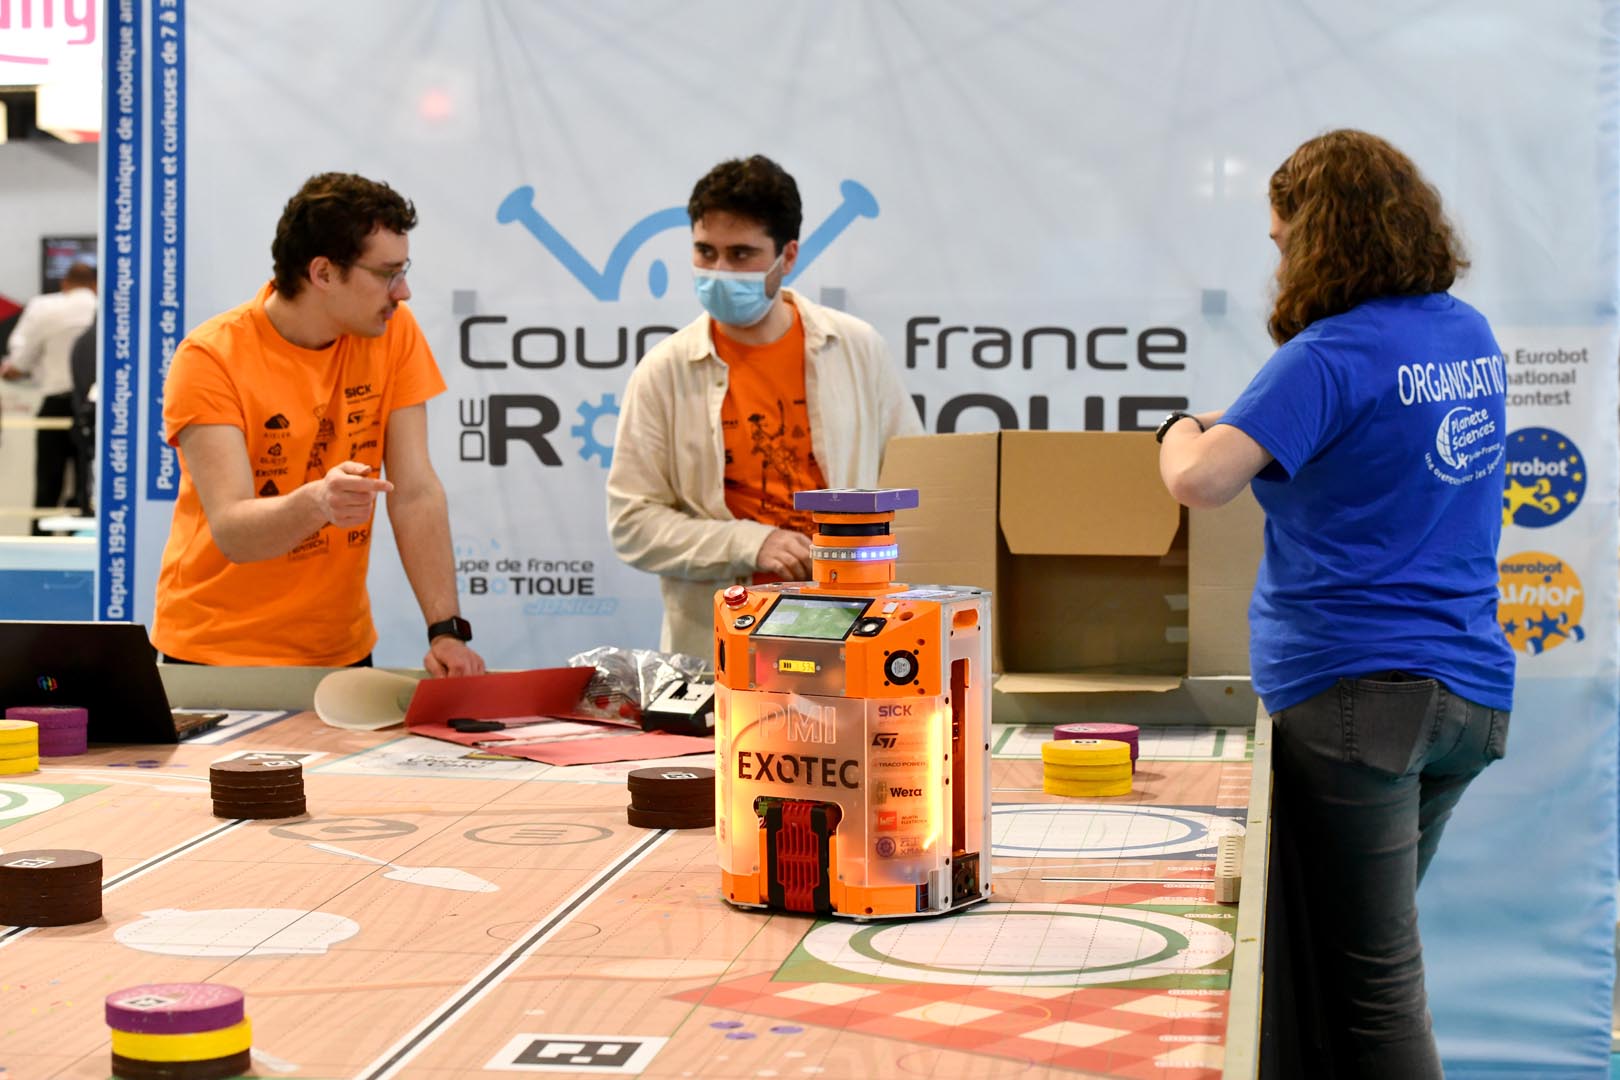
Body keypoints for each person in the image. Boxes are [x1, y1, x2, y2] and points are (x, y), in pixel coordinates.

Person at [1156, 129, 1514, 1077]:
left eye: (1281, 242)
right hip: (1467, 693)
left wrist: (1177, 426)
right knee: (1336, 965)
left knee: (1370, 990)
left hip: (1358, 694)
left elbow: (1199, 479)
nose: (1278, 263)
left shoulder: (1327, 355)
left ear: (1316, 236)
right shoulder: (1464, 335)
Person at [152, 172, 484, 676]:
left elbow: (415, 492)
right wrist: (317, 502)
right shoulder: (210, 357)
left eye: (404, 271)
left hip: (340, 651)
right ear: (324, 273)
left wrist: (446, 630)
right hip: (215, 653)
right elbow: (234, 533)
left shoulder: (392, 333)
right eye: (387, 274)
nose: (404, 292)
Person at [606, 155, 922, 657]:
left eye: (741, 254)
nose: (718, 271)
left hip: (857, 625)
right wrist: (749, 543)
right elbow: (632, 525)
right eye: (705, 251)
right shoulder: (663, 370)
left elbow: (917, 486)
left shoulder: (856, 347)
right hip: (723, 642)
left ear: (787, 256)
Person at [0, 261, 97, 532]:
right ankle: (81, 539)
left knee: (47, 482)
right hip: (92, 408)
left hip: (56, 403)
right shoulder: (103, 308)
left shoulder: (44, 309)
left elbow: (20, 362)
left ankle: (39, 538)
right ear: (94, 285)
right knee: (86, 484)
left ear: (64, 284)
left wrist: (14, 371)